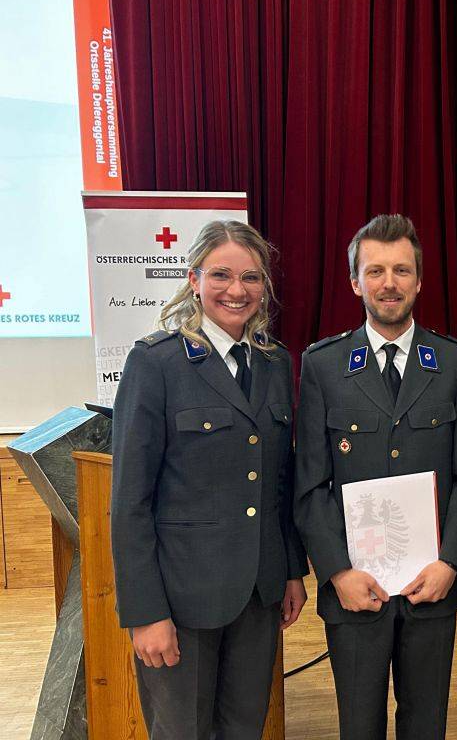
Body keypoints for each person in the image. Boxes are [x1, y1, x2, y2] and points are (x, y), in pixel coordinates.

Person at [111, 220, 308, 738]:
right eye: (221, 275)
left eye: (251, 278)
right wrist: (145, 612)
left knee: (245, 728)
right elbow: (130, 502)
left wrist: (290, 570)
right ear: (194, 278)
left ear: (265, 286)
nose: (236, 291)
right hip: (181, 601)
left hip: (257, 597)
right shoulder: (156, 363)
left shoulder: (274, 363)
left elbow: (278, 484)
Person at [293, 214, 457, 740]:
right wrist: (336, 572)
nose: (389, 283)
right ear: (355, 282)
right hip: (356, 589)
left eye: (402, 270)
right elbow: (309, 486)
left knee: (426, 725)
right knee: (359, 726)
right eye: (374, 271)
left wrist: (451, 563)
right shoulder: (324, 366)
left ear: (419, 280)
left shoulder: (451, 362)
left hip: (432, 586)